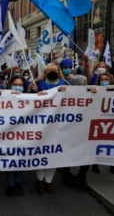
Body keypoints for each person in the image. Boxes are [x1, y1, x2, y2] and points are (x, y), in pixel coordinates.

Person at [31, 63, 67, 194]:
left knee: (54, 153)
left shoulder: (64, 84)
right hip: (42, 123)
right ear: (45, 72)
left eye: (55, 70)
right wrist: (34, 92)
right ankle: (39, 180)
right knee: (42, 152)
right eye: (50, 70)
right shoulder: (39, 83)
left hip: (59, 123)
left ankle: (49, 181)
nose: (53, 71)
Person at [62, 75, 95, 190]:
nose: (86, 85)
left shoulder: (90, 93)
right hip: (70, 128)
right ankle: (66, 175)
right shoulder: (66, 93)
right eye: (85, 83)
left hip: (84, 128)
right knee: (66, 151)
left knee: (87, 151)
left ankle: (82, 175)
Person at [4, 76, 27, 196]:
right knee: (10, 160)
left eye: (21, 85)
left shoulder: (30, 97)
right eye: (15, 84)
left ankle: (18, 182)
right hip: (9, 134)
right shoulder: (4, 97)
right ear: (10, 85)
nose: (18, 87)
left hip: (24, 134)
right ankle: (11, 184)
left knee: (21, 160)